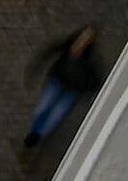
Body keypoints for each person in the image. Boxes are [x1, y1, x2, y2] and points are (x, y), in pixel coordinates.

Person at [23, 26, 102, 156]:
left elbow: (95, 81)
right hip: (56, 81)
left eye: (86, 41)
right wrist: (33, 70)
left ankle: (38, 135)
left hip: (70, 91)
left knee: (55, 115)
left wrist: (84, 90)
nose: (80, 44)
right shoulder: (67, 45)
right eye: (81, 39)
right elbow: (48, 53)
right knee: (43, 108)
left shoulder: (89, 62)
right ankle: (34, 133)